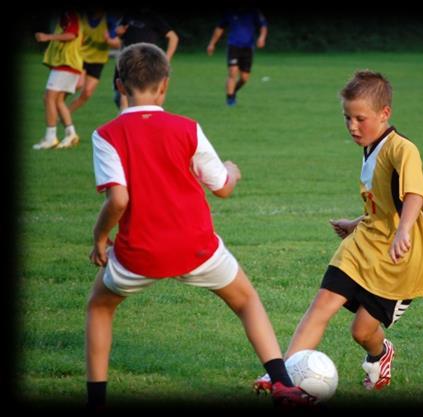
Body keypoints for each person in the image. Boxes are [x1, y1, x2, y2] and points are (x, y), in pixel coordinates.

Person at [85, 43, 314, 409]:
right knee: (246, 301)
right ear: (164, 86)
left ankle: (96, 399)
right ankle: (283, 385)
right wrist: (233, 170)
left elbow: (118, 199)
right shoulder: (187, 128)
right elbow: (222, 187)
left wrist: (100, 239)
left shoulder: (106, 135)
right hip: (196, 247)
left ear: (118, 83)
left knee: (100, 307)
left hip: (138, 253)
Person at [254, 70, 423, 393]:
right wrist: (356, 224)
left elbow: (414, 195)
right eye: (347, 118)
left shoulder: (401, 149)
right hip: (363, 244)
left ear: (385, 114)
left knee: (362, 332)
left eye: (360, 119)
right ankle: (280, 378)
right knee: (321, 305)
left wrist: (403, 231)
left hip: (400, 260)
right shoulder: (370, 146)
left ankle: (381, 354)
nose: (352, 126)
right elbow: (382, 204)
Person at [33, 10, 83, 150]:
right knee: (58, 100)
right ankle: (71, 134)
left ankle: (50, 138)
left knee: (49, 97)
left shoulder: (70, 13)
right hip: (68, 63)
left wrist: (48, 37)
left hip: (66, 63)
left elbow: (72, 34)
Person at [112, 10, 178, 110]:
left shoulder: (153, 18)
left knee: (128, 100)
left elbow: (173, 37)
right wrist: (118, 33)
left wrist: (165, 60)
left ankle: (133, 121)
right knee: (119, 97)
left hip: (146, 64)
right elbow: (118, 40)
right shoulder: (128, 16)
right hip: (127, 63)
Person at [206, 7, 268, 106]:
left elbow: (263, 26)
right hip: (233, 46)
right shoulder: (229, 12)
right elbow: (219, 28)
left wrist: (262, 37)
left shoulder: (253, 12)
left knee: (244, 78)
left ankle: (232, 91)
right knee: (232, 72)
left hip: (248, 48)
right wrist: (212, 43)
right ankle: (230, 99)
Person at [67, 11, 121, 113]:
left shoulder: (109, 20)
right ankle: (55, 98)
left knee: (87, 93)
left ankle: (64, 114)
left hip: (98, 61)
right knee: (79, 84)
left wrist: (108, 40)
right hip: (81, 56)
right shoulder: (82, 17)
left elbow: (117, 44)